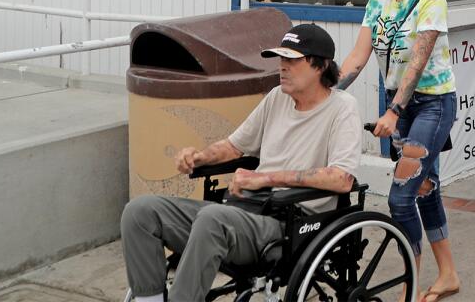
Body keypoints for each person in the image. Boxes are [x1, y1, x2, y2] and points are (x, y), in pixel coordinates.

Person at [121, 23, 362, 302]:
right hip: (245, 209)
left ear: (320, 66)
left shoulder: (342, 108)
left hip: (289, 223)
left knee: (213, 219)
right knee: (140, 212)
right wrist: (199, 156)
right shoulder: (276, 98)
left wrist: (265, 178)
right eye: (281, 59)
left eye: (292, 60)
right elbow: (235, 145)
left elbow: (341, 179)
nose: (282, 67)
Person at [339, 0, 460, 302]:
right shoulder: (377, 0)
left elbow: (418, 62)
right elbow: (358, 57)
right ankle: (448, 275)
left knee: (400, 196)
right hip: (399, 105)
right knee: (425, 187)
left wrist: (393, 112)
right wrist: (326, 93)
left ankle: (410, 282)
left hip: (431, 105)